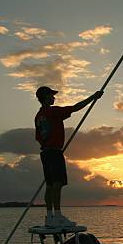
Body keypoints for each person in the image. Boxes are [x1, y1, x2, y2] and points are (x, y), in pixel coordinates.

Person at [34, 86, 103, 227]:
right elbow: (75, 108)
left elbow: (39, 137)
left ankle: (49, 217)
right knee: (57, 184)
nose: (54, 97)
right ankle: (58, 216)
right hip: (54, 152)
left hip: (45, 153)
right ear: (46, 97)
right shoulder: (52, 111)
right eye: (51, 95)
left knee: (49, 185)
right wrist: (93, 97)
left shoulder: (39, 116)